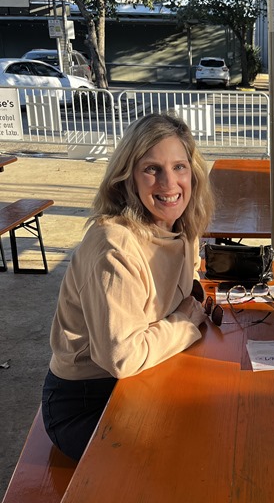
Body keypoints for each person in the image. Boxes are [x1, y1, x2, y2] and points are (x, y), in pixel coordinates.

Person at [41, 112, 215, 461]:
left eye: (179, 167)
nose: (169, 183)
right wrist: (185, 321)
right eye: (152, 169)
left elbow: (184, 282)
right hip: (88, 400)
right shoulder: (114, 246)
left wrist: (191, 303)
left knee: (217, 424)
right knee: (187, 457)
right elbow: (122, 357)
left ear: (193, 174)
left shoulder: (180, 229)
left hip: (145, 379)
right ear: (127, 177)